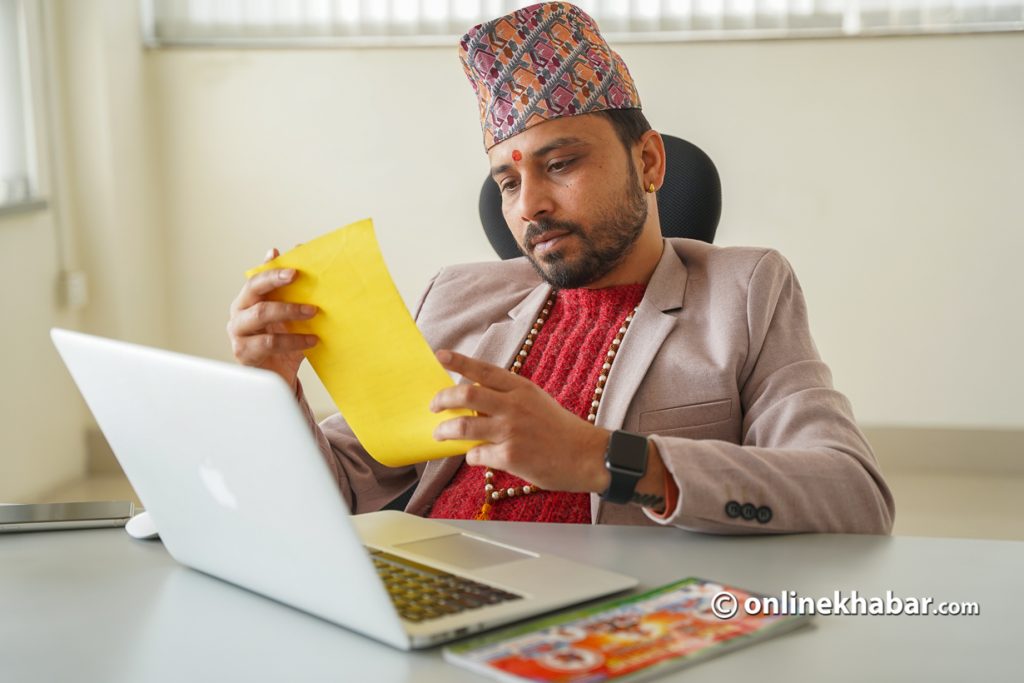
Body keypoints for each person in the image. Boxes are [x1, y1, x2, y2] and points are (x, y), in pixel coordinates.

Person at [226, 2, 894, 534]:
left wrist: (602, 458)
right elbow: (345, 487)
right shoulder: (458, 295)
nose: (531, 206)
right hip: (430, 598)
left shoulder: (746, 291)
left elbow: (854, 495)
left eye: (562, 163)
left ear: (650, 162)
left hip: (603, 620)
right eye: (507, 184)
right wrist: (276, 391)